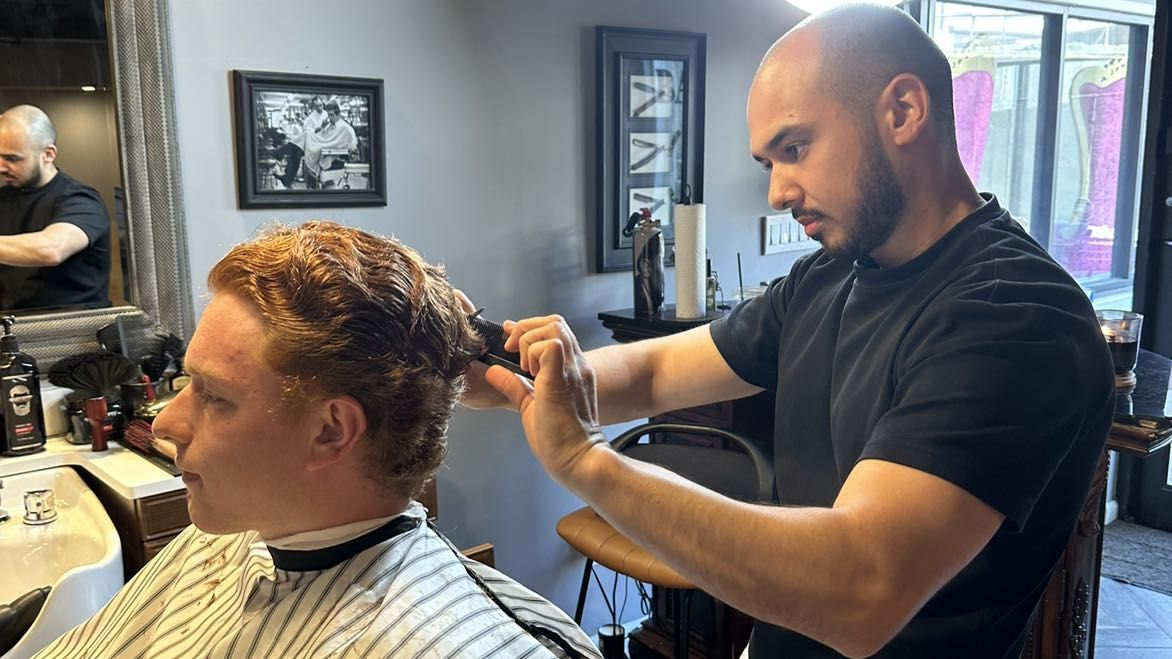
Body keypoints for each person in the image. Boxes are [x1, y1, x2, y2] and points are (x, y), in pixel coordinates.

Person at [462, 5, 1114, 658]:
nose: (777, 192)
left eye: (794, 149)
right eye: (767, 162)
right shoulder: (823, 279)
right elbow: (651, 372)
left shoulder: (1018, 316)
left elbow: (859, 589)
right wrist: (498, 372)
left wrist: (584, 461)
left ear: (904, 111)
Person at [33, 222, 600, 659]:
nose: (163, 424)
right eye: (186, 382)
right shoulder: (226, 539)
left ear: (330, 432)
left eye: (213, 396)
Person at [0, 105, 110, 310]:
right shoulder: (3, 200)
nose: (1, 166)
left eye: (12, 158)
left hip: (74, 331)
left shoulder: (81, 200)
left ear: (48, 154)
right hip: (15, 328)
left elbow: (51, 249)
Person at [271, 96, 327, 189]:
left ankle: (280, 153)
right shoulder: (311, 117)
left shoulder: (327, 115)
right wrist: (318, 128)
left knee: (300, 144)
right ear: (313, 107)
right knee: (296, 153)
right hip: (311, 142)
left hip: (319, 142)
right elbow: (307, 129)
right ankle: (287, 179)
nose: (319, 108)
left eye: (321, 105)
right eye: (317, 106)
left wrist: (321, 128)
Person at [304, 101, 358, 190]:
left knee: (312, 167)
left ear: (338, 114)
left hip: (337, 159)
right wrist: (322, 128)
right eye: (328, 115)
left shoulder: (345, 128)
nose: (330, 118)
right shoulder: (329, 126)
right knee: (308, 167)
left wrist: (333, 147)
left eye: (332, 115)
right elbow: (321, 138)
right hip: (325, 155)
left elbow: (352, 146)